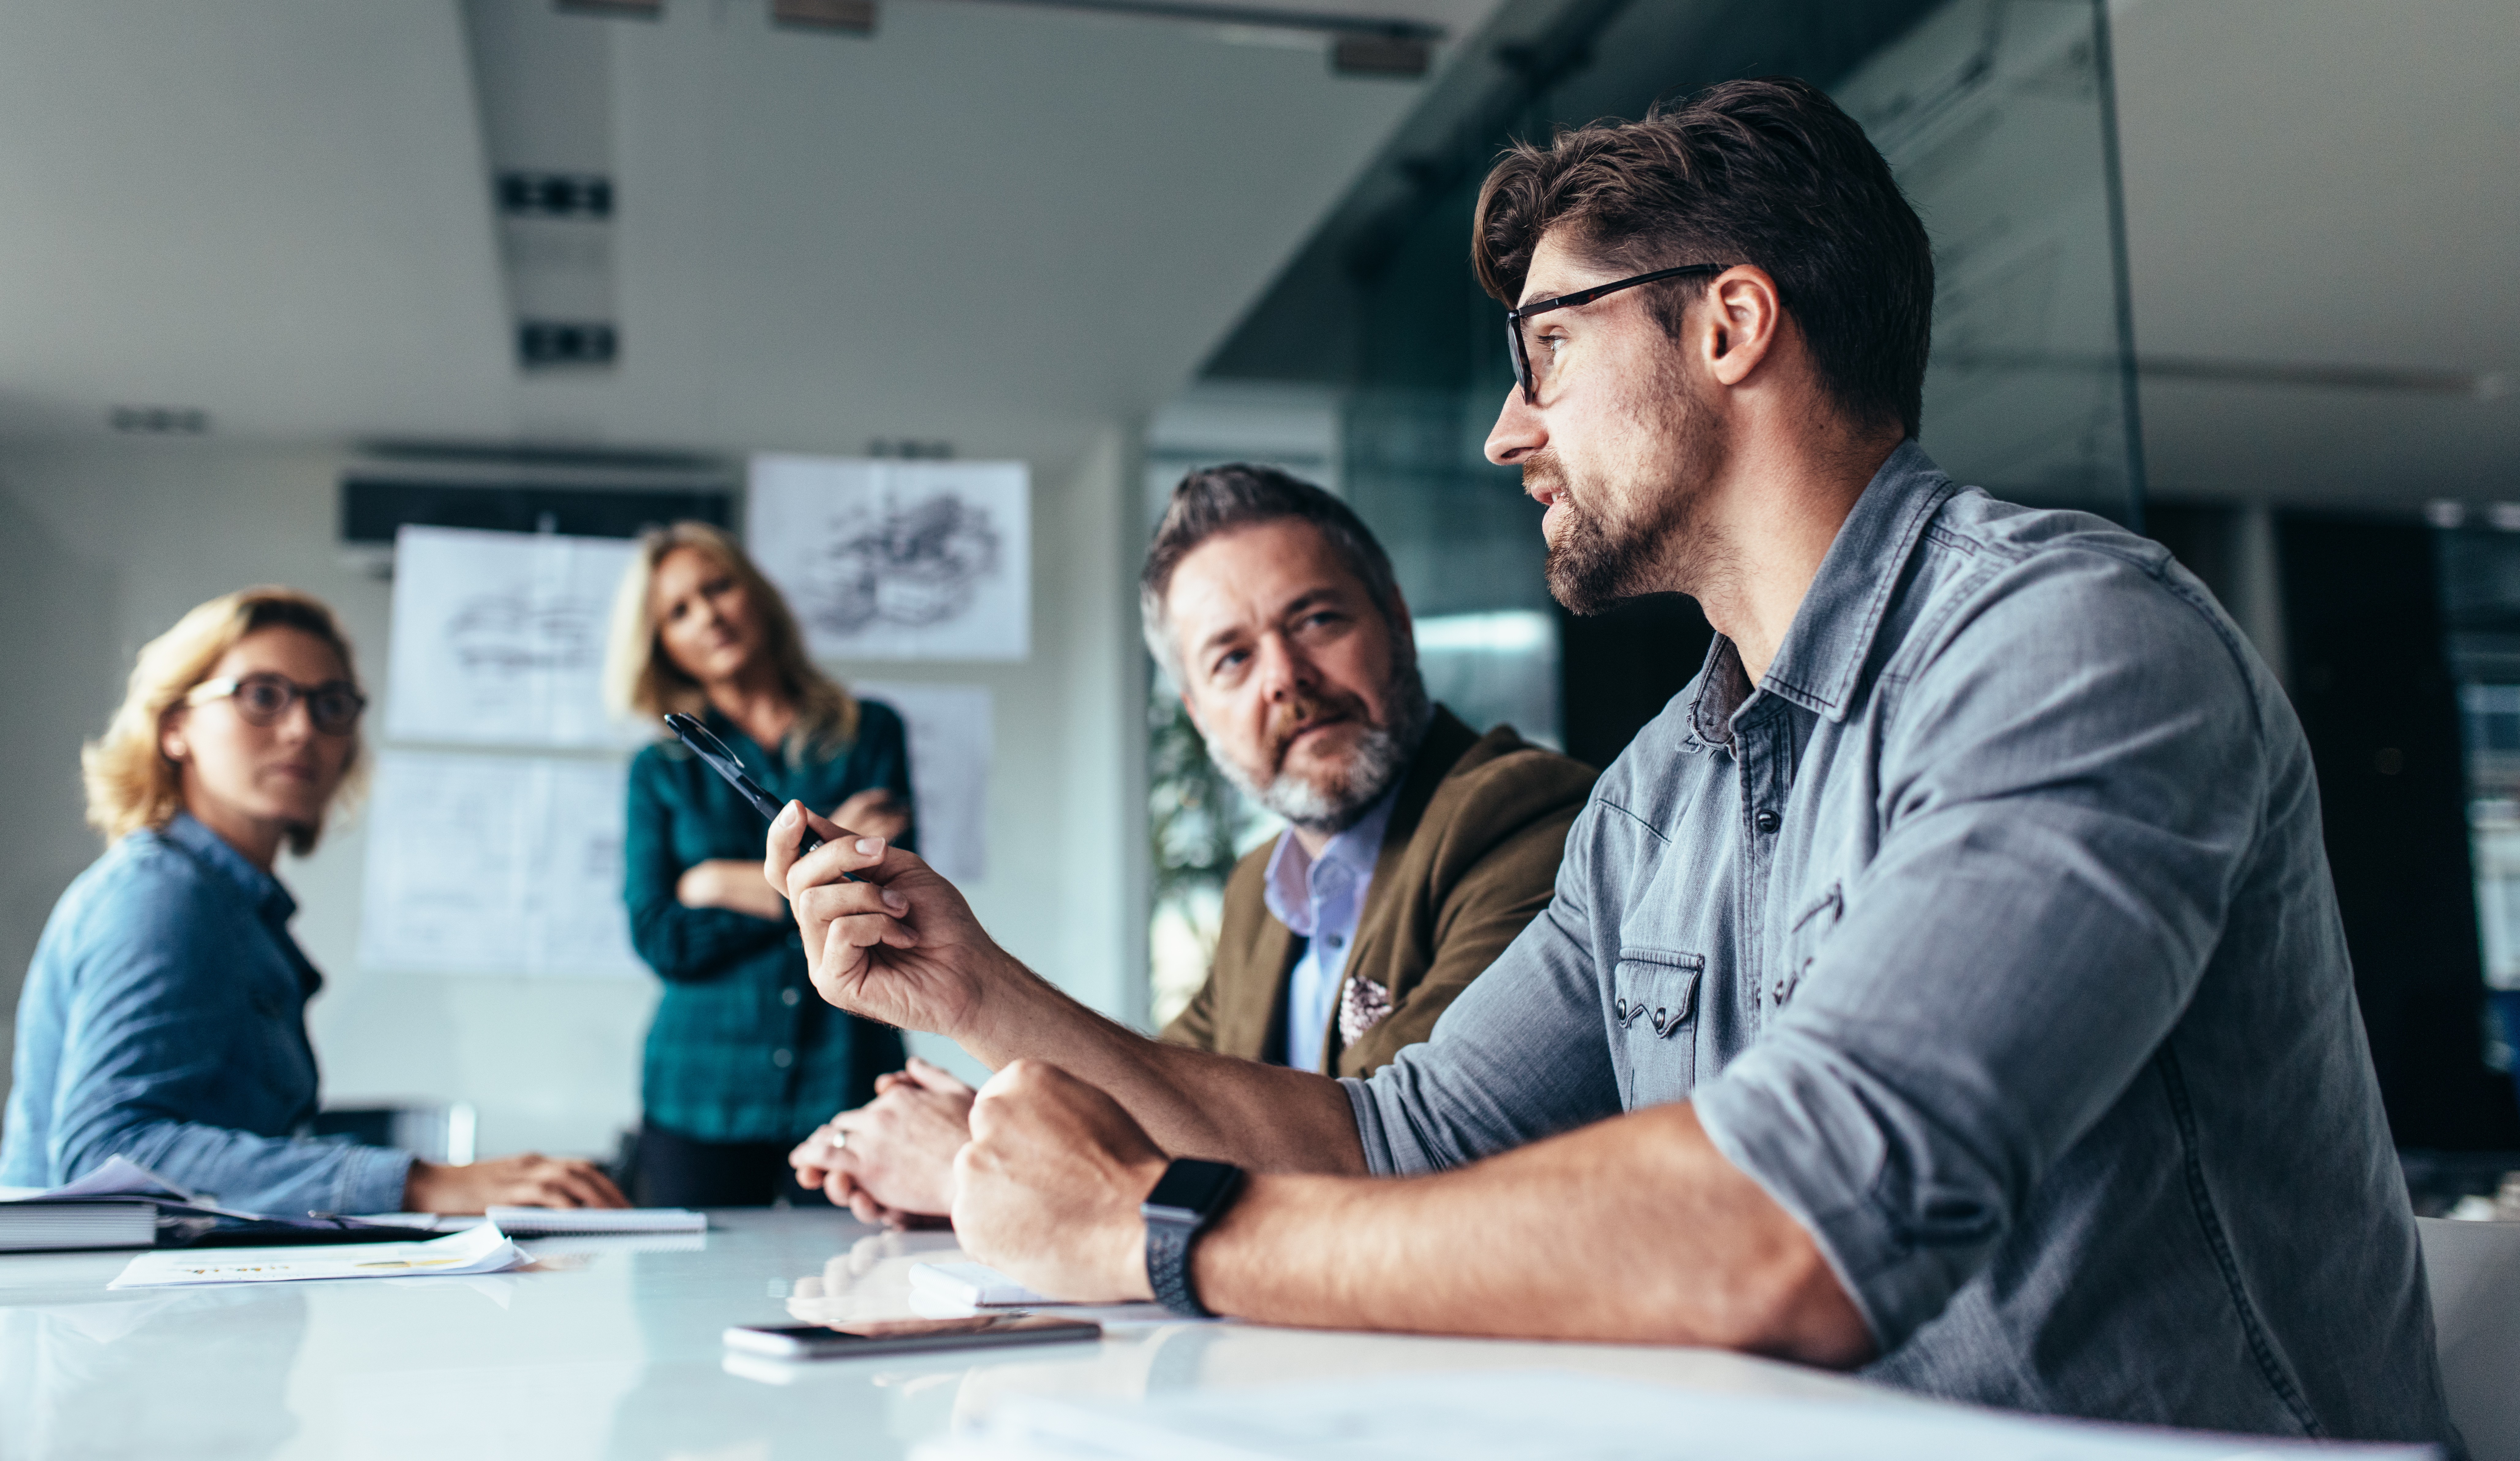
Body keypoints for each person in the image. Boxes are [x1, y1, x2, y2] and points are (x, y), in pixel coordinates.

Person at [766, 78, 2454, 1444]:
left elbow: (1797, 1220)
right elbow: (1392, 1140)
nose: (1510, 427)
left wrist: (1154, 1230)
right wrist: (976, 992)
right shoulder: (1662, 789)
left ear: (1730, 326)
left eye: (1548, 348)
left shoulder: (2072, 647)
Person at [788, 466, 1597, 1221]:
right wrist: (989, 1119)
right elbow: (1160, 1103)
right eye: (1232, 658)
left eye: (1316, 620)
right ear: (1196, 710)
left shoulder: (1526, 818)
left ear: (1396, 620)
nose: (1283, 677)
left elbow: (1389, 1161)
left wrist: (974, 1160)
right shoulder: (1261, 889)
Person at [0, 587, 625, 1214]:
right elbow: (107, 1155)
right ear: (175, 726)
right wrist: (420, 1183)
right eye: (262, 696)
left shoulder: (237, 909)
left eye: (331, 706)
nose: (303, 730)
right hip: (98, 1305)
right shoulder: (163, 895)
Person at [607, 522, 914, 1207]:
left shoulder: (871, 734)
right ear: (662, 645)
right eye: (679, 611)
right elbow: (661, 936)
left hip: (845, 1077)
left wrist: (714, 884)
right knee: (690, 1306)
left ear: (756, 596)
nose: (708, 615)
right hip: (700, 1091)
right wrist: (816, 880)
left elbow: (886, 899)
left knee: (856, 1292)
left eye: (718, 588)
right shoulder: (660, 772)